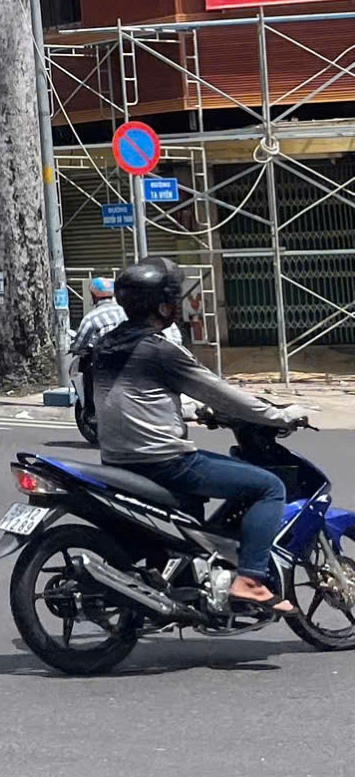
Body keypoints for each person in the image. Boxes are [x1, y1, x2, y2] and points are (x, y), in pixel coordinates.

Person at [94, 255, 309, 613]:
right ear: (162, 305)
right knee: (270, 487)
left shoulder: (106, 346)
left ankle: (183, 580)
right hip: (166, 463)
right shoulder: (160, 350)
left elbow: (126, 399)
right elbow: (220, 393)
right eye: (173, 299)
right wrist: (279, 416)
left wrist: (190, 411)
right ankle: (250, 580)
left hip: (116, 460)